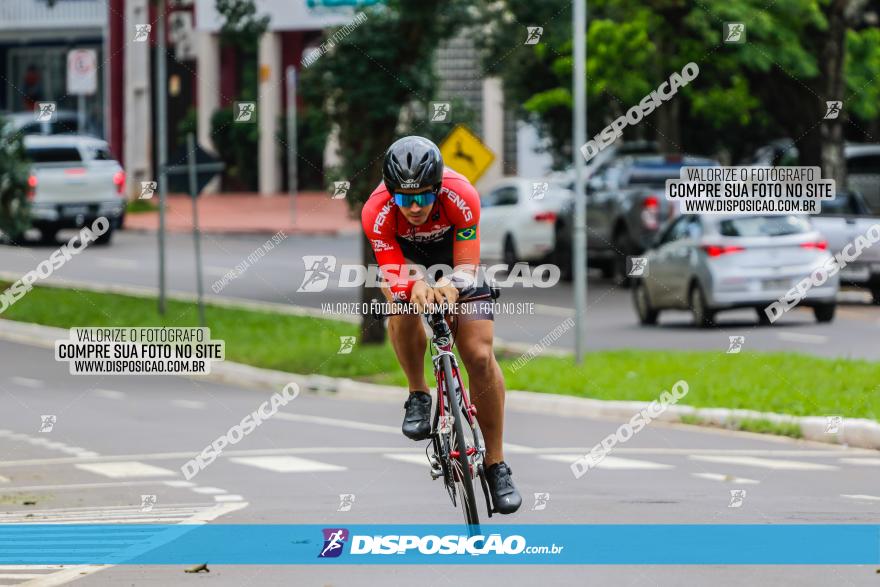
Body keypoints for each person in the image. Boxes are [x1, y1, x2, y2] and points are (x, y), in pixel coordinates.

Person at [361, 136, 522, 514]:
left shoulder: (461, 195)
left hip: (456, 259)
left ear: (437, 187)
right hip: (407, 261)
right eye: (404, 197)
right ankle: (418, 393)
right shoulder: (377, 211)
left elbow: (466, 264)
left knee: (479, 355)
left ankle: (496, 466)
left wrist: (453, 284)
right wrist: (412, 285)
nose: (414, 206)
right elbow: (393, 269)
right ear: (391, 193)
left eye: (422, 196)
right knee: (397, 300)